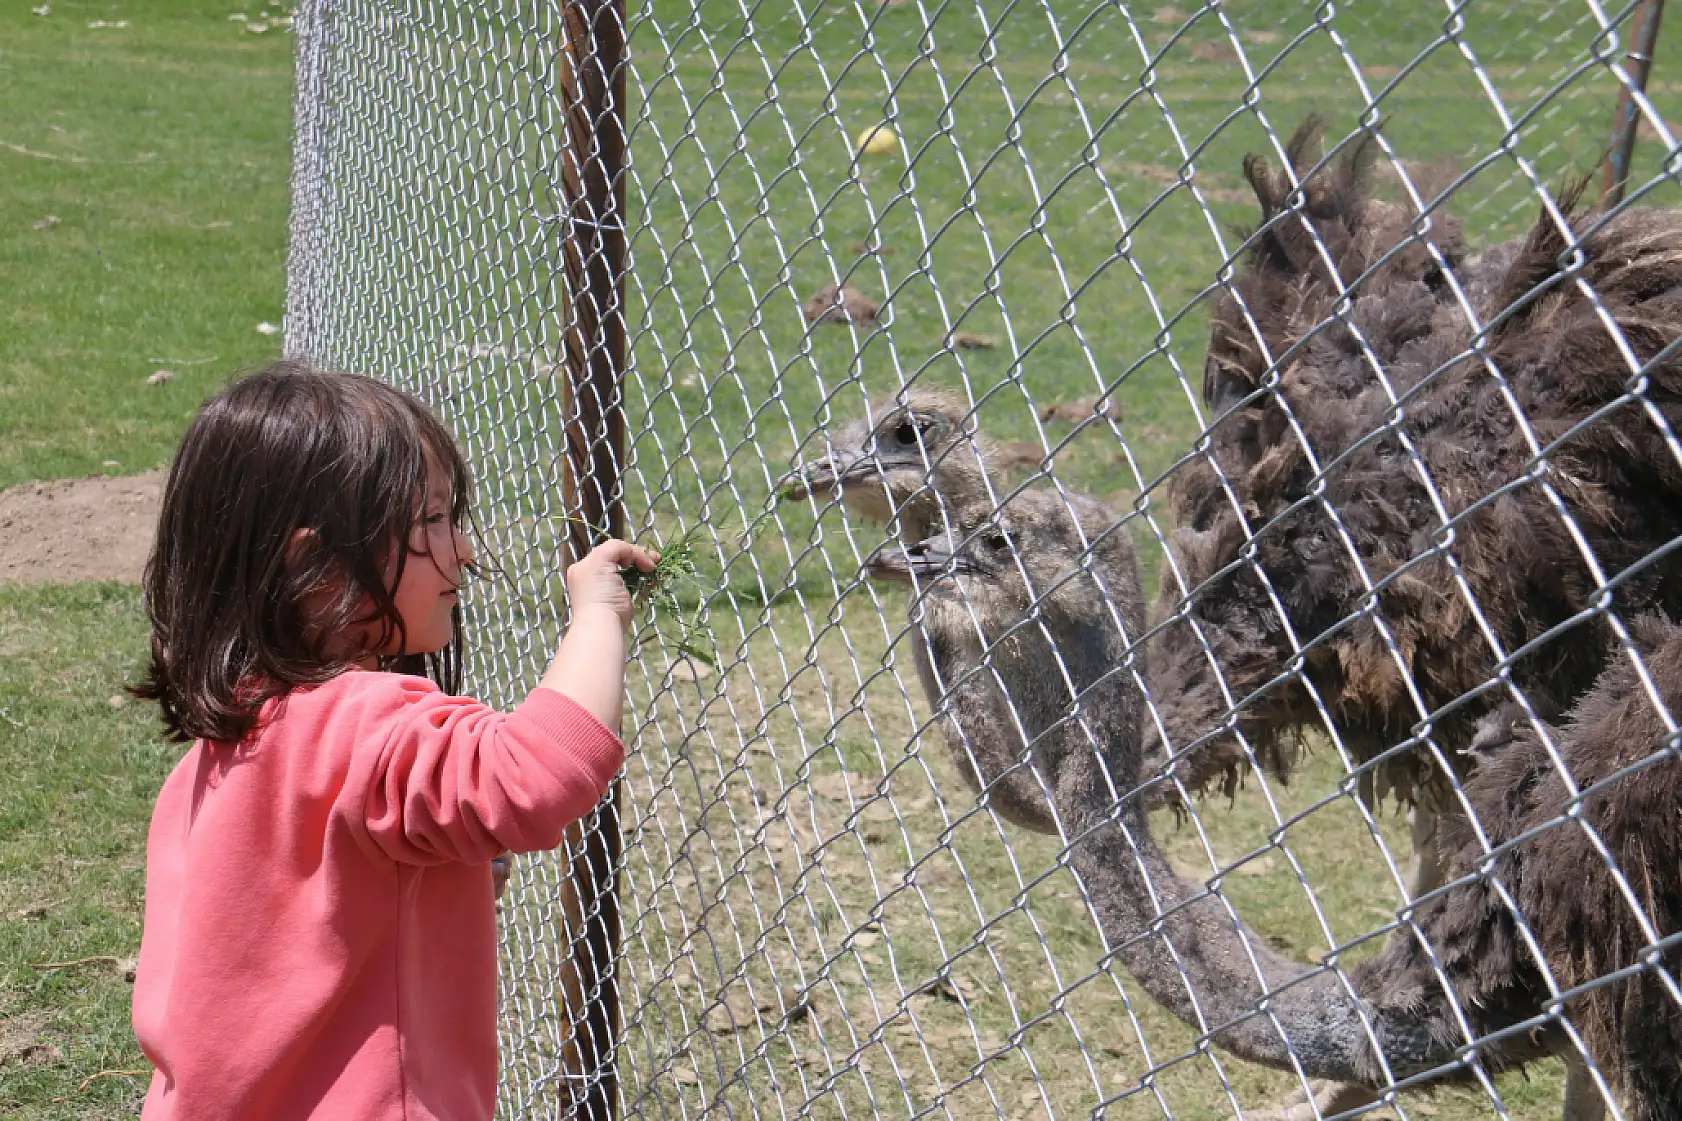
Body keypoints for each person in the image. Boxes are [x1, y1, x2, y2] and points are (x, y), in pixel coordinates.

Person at [128, 361, 655, 1120]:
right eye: (433, 521)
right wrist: (598, 615)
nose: (463, 550)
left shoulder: (217, 756)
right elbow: (533, 776)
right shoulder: (369, 723)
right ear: (314, 565)